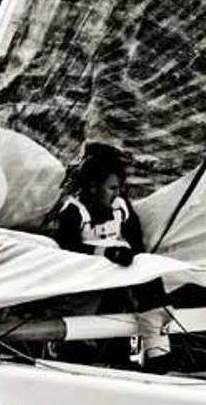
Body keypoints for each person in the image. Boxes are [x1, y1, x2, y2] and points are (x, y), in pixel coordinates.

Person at [51, 143, 172, 371]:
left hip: (118, 282)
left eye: (118, 188)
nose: (117, 193)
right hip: (85, 282)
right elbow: (66, 247)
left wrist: (128, 255)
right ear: (93, 187)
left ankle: (156, 345)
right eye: (111, 188)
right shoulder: (73, 212)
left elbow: (136, 241)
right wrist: (105, 253)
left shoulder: (121, 207)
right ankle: (77, 349)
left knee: (147, 272)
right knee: (83, 332)